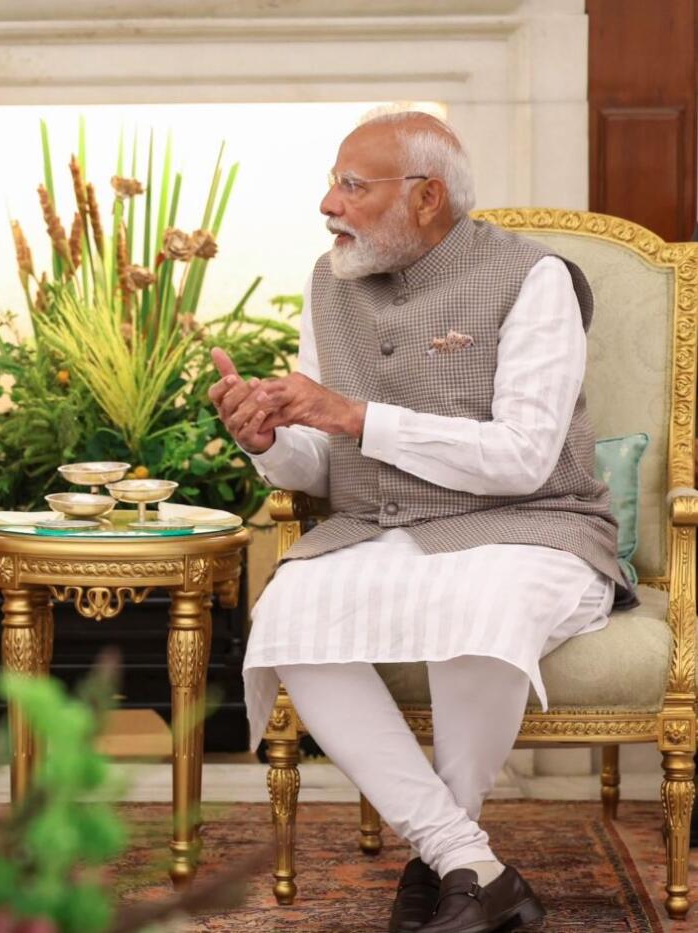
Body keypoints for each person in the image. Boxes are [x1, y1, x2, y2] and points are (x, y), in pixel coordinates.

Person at [210, 110, 625, 933]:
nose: (328, 204)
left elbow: (524, 457)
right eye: (332, 183)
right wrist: (270, 442)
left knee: (480, 604)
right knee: (289, 613)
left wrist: (356, 415)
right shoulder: (330, 280)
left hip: (534, 525)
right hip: (382, 528)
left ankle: (449, 864)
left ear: (427, 197)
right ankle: (466, 863)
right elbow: (323, 462)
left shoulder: (534, 278)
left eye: (351, 186)